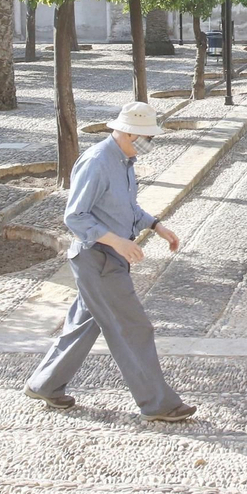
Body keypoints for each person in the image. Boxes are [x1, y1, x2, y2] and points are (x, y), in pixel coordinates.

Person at [24, 102, 195, 423]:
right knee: (134, 327)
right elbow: (75, 216)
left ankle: (44, 384)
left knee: (82, 326)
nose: (149, 143)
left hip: (103, 260)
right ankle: (159, 403)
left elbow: (126, 208)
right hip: (98, 259)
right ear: (129, 132)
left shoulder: (124, 160)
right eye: (146, 136)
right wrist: (116, 240)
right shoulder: (98, 162)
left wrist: (156, 225)